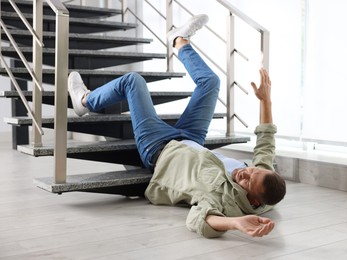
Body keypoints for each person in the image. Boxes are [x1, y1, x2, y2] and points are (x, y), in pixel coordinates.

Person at [68, 14, 286, 238]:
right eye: (253, 170)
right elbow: (266, 143)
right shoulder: (264, 176)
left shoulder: (221, 198)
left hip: (160, 150)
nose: (245, 172)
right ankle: (179, 40)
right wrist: (265, 101)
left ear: (254, 200)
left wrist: (235, 223)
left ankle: (85, 101)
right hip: (191, 138)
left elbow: (199, 219)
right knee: (211, 82)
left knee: (133, 81)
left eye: (247, 181)